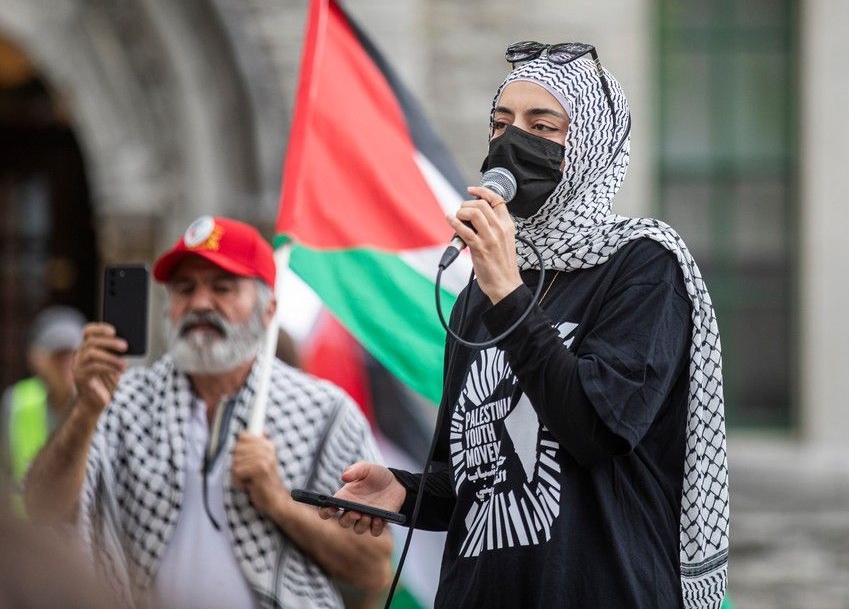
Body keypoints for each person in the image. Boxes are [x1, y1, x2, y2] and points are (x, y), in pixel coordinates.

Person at [320, 41, 730, 608]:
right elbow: (476, 472)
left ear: (591, 145)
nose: (513, 141)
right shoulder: (481, 292)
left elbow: (595, 430)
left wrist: (509, 296)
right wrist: (405, 491)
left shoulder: (642, 265)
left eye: (542, 126)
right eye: (501, 123)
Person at [24, 216, 392, 609]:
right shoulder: (121, 400)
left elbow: (374, 570)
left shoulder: (324, 412)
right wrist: (85, 411)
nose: (200, 303)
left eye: (222, 287)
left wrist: (279, 502)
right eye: (185, 289)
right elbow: (43, 509)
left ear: (268, 309)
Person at [0, 305, 85, 510]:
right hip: (28, 525)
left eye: (73, 354)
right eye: (58, 356)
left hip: (80, 527)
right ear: (36, 358)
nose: (66, 365)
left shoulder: (99, 403)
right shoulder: (18, 401)